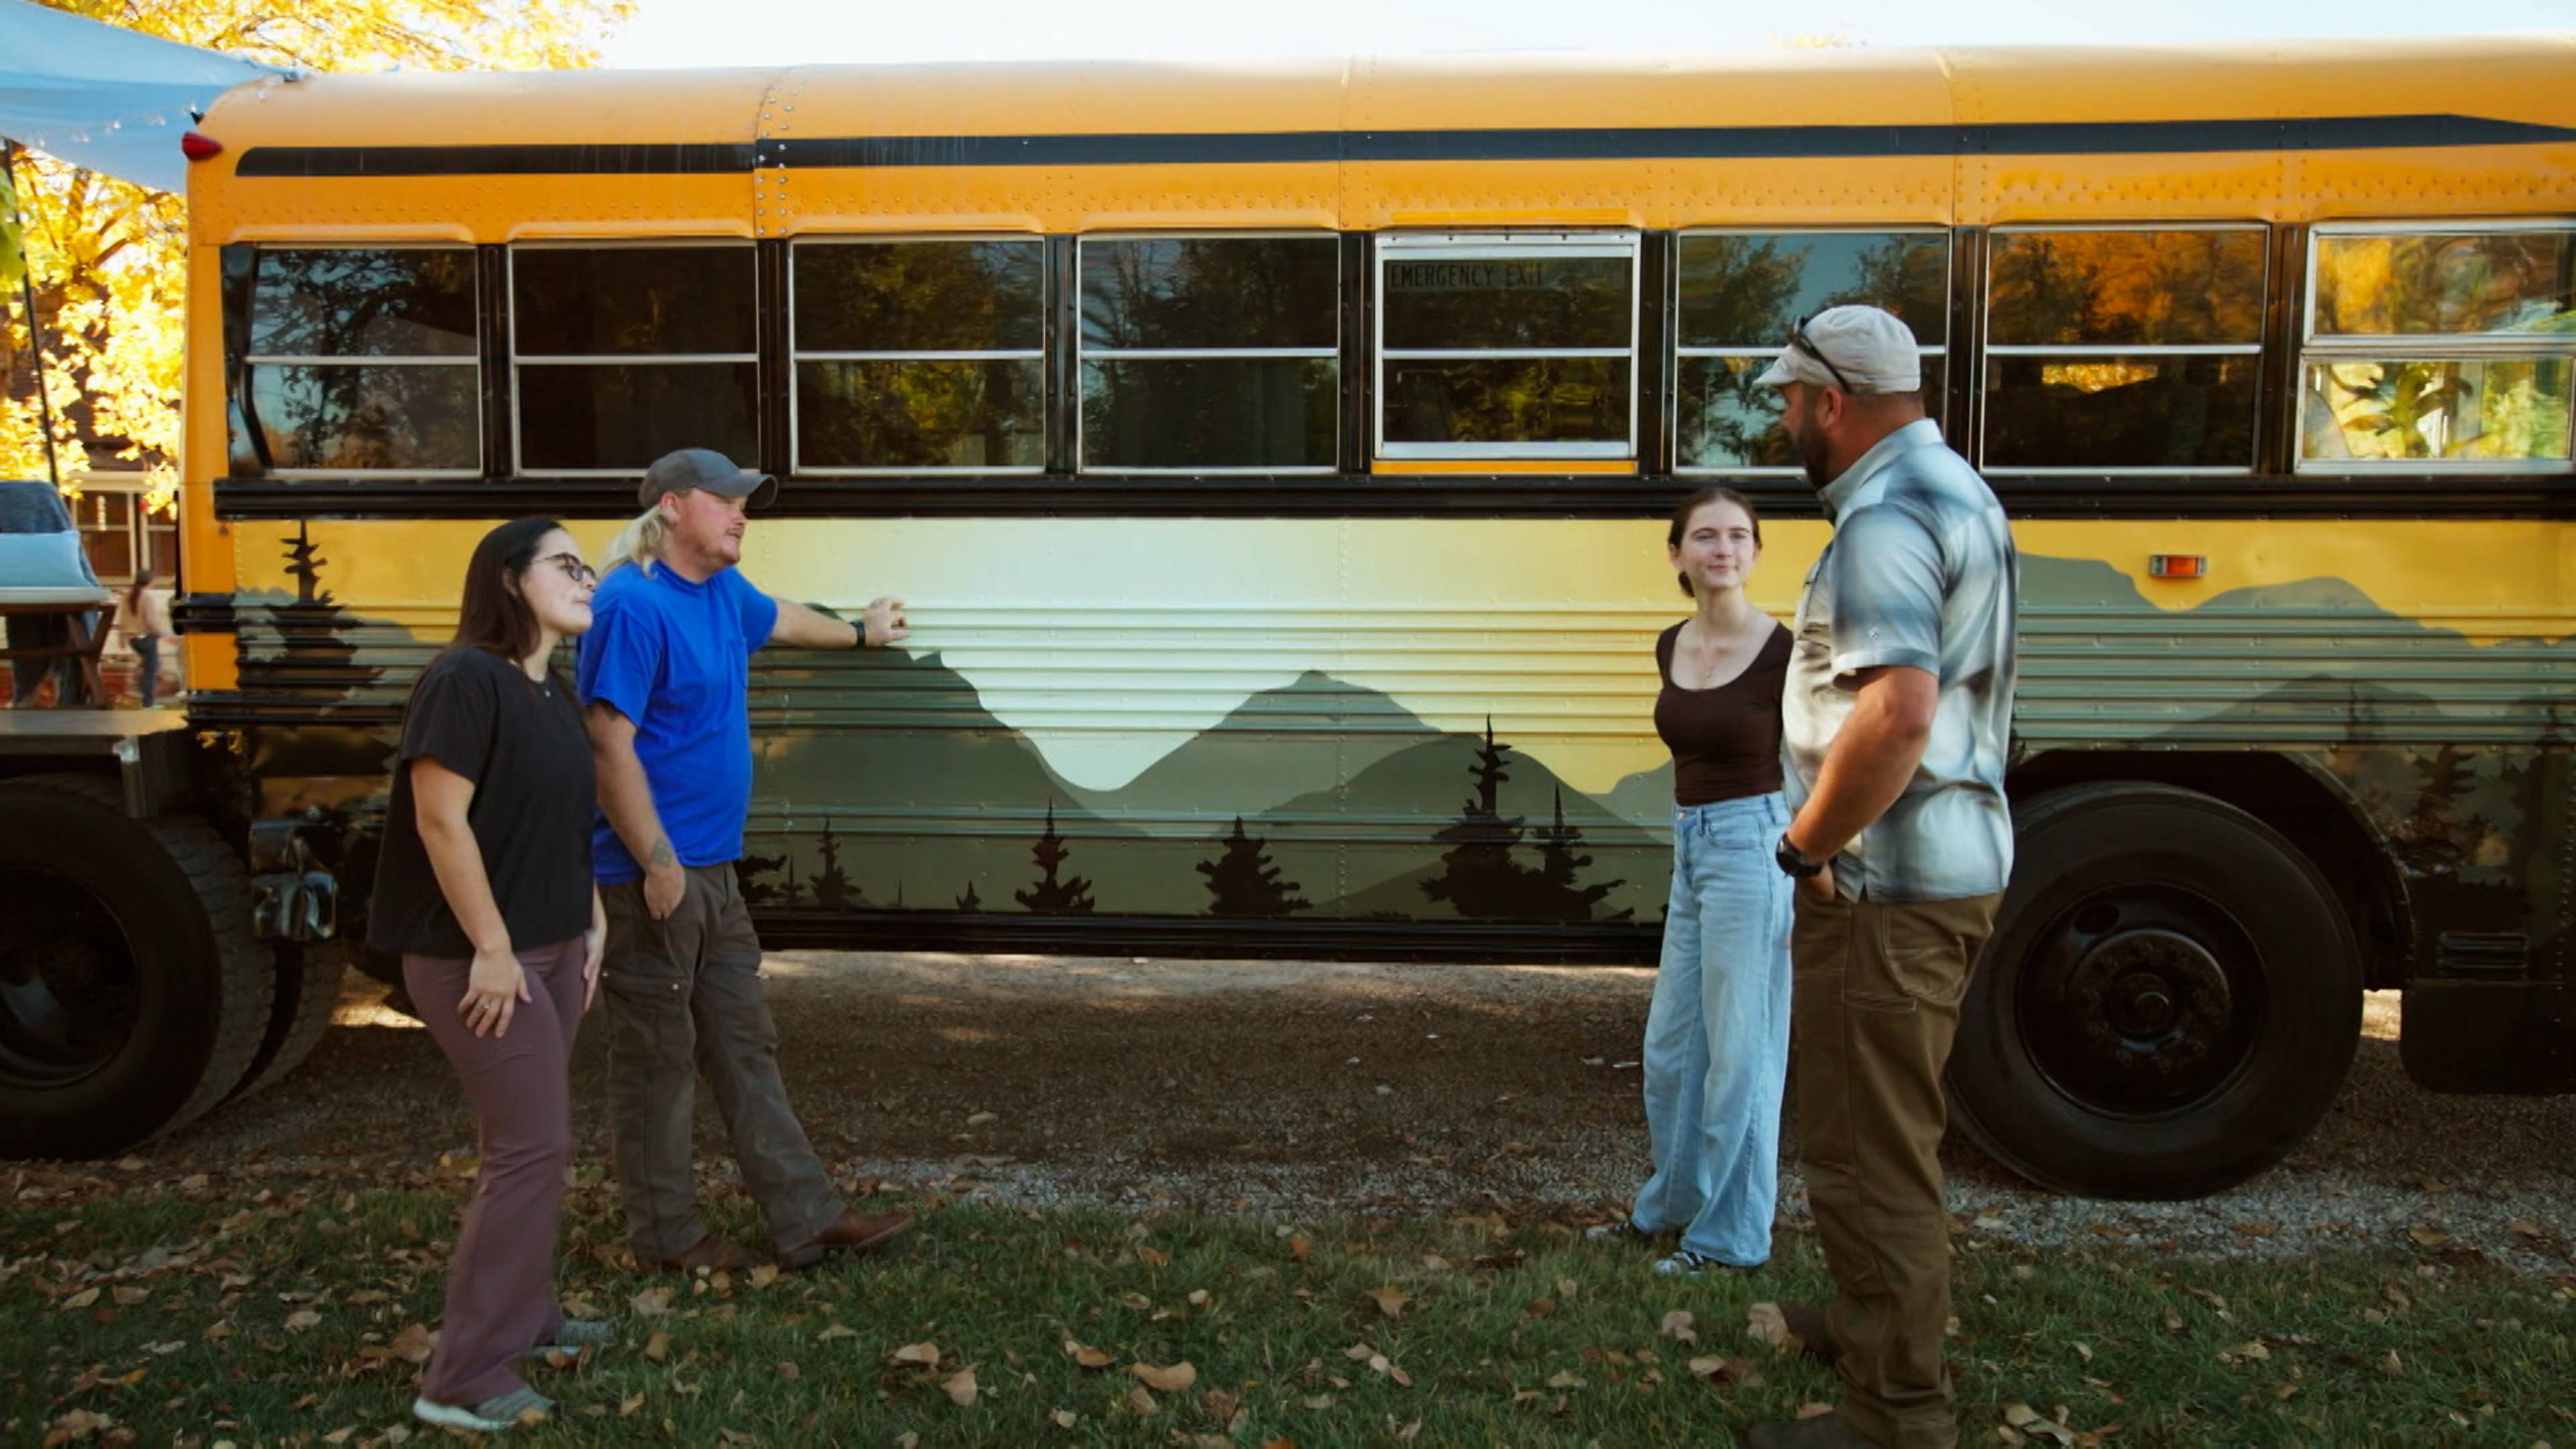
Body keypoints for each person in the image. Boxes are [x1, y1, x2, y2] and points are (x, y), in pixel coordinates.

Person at [1741, 307, 2019, 1449]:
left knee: (1865, 1160)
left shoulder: (1884, 521)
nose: (1785, 418)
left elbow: (1896, 713)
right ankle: (1873, 1328)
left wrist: (1807, 845)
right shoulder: (1960, 490)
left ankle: (1895, 1416)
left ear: (1834, 401)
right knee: (1894, 1136)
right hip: (1952, 870)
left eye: (1790, 400)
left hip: (1885, 889)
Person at [580, 447, 915, 1274]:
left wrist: (863, 634)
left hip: (714, 872)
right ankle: (667, 1242)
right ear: (669, 509)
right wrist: (656, 861)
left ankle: (807, 1222)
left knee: (743, 1044)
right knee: (658, 1064)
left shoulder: (720, 592)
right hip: (653, 875)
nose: (740, 514)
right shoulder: (633, 604)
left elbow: (783, 616)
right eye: (723, 499)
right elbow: (607, 742)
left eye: (744, 503)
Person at [366, 517, 608, 1434]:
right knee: (529, 1148)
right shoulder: (464, 678)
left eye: (588, 565)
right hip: (476, 959)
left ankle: (528, 1317)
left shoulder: (549, 690)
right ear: (508, 581)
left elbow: (552, 823)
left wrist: (590, 918)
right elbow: (441, 822)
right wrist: (496, 948)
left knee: (540, 1144)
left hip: (553, 948)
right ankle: (462, 1375)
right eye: (564, 564)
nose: (585, 578)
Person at [1589, 487, 1792, 1276]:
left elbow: (1812, 761)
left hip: (1754, 846)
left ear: (1755, 552)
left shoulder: (1784, 651)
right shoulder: (1671, 643)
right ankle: (1671, 1205)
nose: (1724, 549)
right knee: (1675, 1045)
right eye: (1705, 536)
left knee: (1744, 1049)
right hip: (1693, 844)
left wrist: (1806, 856)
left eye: (1740, 536)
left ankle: (1733, 1237)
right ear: (1677, 554)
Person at [116, 568, 176, 706]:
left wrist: (121, 638)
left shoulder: (126, 597)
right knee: (151, 670)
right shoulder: (146, 598)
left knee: (148, 665)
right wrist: (166, 636)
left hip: (133, 640)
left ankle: (137, 686)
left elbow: (122, 619)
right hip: (146, 639)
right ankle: (148, 703)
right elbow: (150, 622)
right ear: (149, 582)